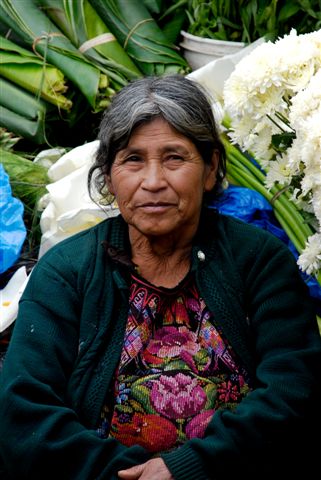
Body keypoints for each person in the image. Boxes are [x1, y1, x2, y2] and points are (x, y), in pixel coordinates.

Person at [0, 74, 320, 480]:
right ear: (108, 175)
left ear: (210, 169)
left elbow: (294, 391)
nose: (153, 182)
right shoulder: (67, 272)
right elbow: (24, 416)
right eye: (133, 159)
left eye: (174, 158)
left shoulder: (258, 260)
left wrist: (187, 468)